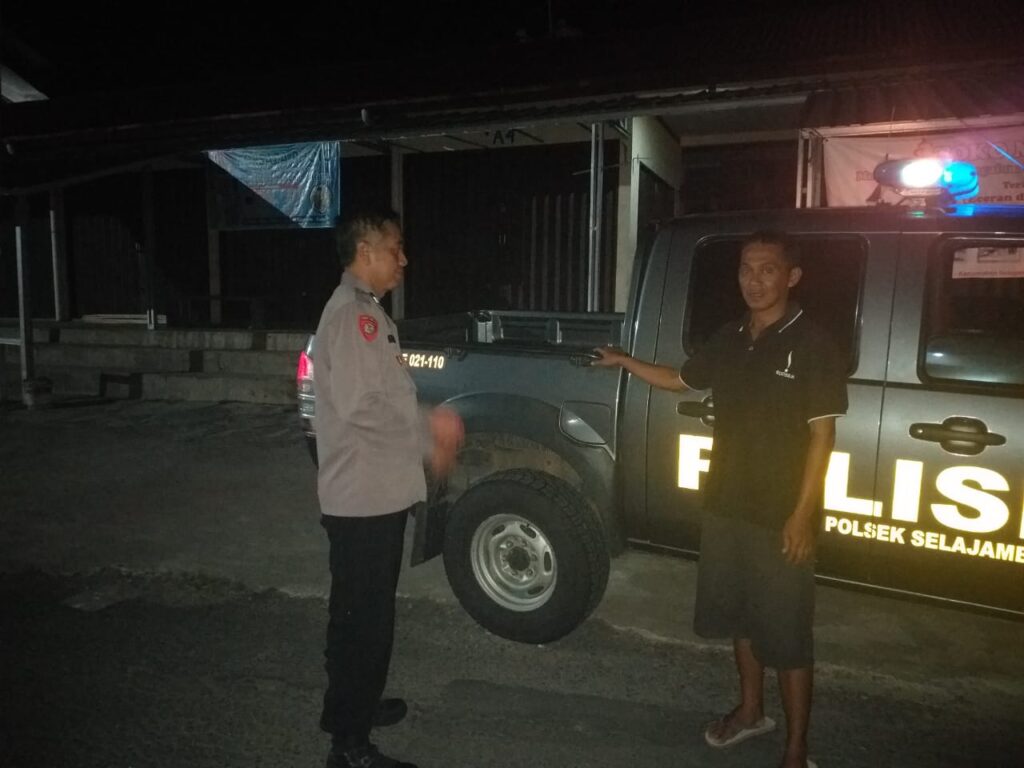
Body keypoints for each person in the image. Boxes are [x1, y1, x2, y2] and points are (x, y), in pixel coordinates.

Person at [593, 231, 846, 768]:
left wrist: (802, 516)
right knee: (740, 618)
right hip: (726, 504)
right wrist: (625, 360)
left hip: (781, 515)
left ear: (792, 276)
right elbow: (680, 379)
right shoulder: (731, 336)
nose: (754, 280)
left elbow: (823, 437)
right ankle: (751, 712)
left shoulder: (813, 344)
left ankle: (796, 748)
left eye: (768, 269)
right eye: (746, 269)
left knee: (788, 635)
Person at [314, 207, 464, 768]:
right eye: (395, 247)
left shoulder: (362, 312)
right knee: (365, 621)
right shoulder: (357, 317)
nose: (404, 259)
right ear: (366, 251)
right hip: (365, 496)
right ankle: (349, 746)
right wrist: (430, 435)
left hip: (366, 491)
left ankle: (352, 706)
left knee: (356, 612)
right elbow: (364, 408)